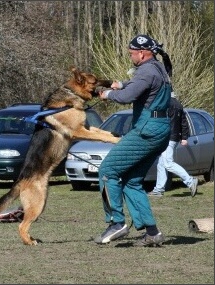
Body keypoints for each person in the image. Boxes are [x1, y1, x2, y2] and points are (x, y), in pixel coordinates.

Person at [94, 34, 173, 247]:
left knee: (108, 171)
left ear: (142, 52)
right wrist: (120, 83)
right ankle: (152, 232)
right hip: (161, 130)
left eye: (131, 54)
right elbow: (139, 85)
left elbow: (127, 97)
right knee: (131, 181)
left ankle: (116, 222)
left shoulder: (146, 70)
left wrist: (108, 94)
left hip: (147, 131)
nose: (130, 57)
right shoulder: (158, 69)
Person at [148, 92, 198, 197]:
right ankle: (159, 189)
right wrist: (184, 137)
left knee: (168, 164)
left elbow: (160, 120)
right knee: (161, 164)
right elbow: (183, 122)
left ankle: (190, 181)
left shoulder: (165, 104)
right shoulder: (179, 105)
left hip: (167, 137)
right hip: (174, 138)